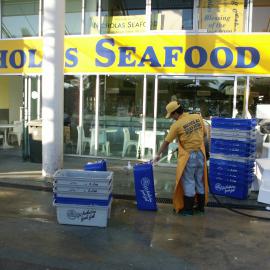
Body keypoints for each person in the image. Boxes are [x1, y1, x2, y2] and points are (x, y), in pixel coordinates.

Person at [154, 101, 208, 216]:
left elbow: (166, 142)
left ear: (175, 113)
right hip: (200, 154)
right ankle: (200, 208)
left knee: (188, 181)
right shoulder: (197, 117)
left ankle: (188, 210)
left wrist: (158, 155)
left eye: (171, 115)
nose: (172, 118)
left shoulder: (177, 125)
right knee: (199, 180)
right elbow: (204, 134)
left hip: (189, 156)